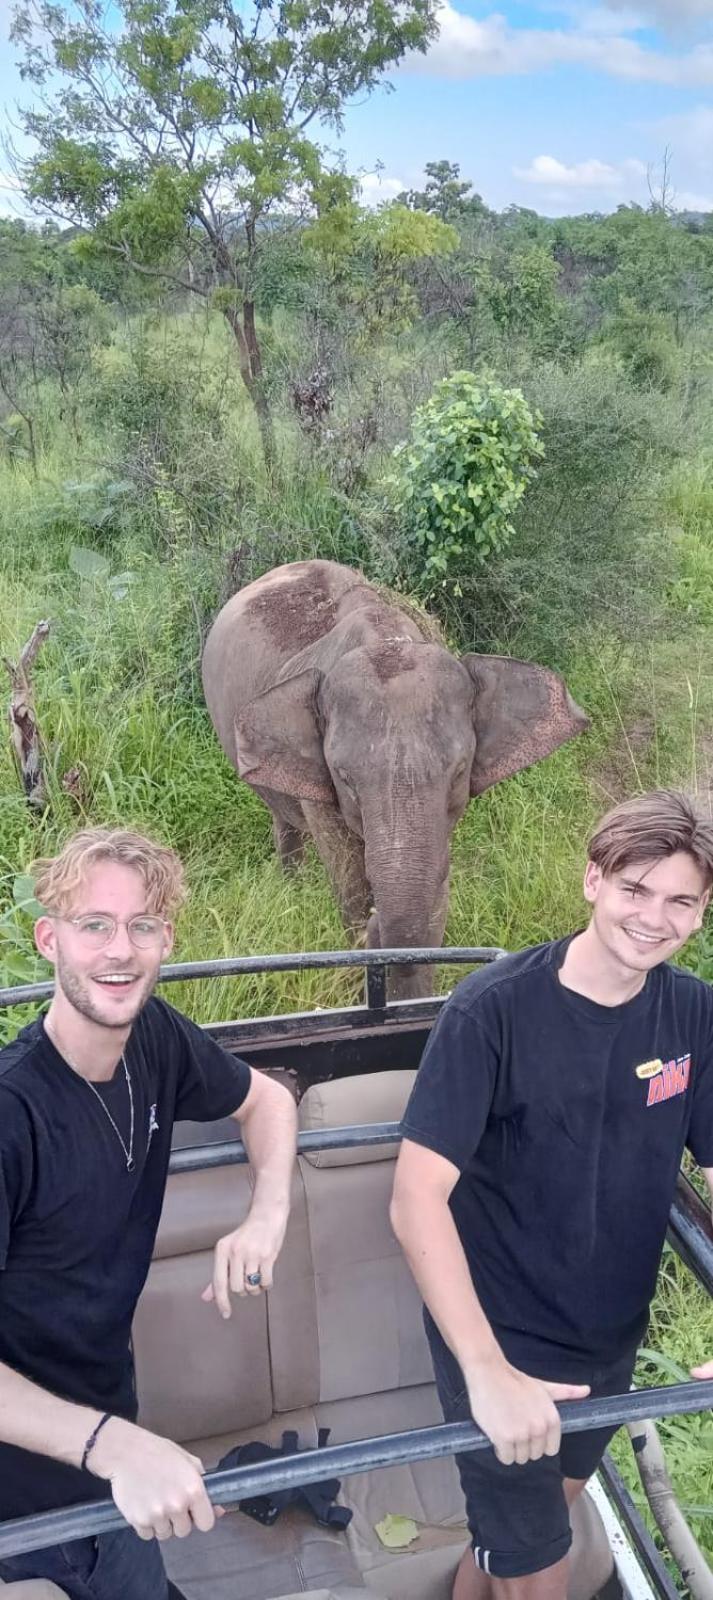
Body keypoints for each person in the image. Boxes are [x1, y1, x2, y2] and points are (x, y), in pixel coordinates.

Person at [390, 788, 713, 1600]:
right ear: (592, 882)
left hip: (608, 1335)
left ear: (702, 913)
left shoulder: (693, 1014)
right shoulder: (491, 1012)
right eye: (635, 889)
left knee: (518, 1538)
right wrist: (485, 1370)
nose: (653, 917)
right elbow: (415, 1198)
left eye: (680, 901)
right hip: (500, 1341)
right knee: (538, 1569)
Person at [0, 826, 298, 1600]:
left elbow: (266, 1099)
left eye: (140, 926)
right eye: (93, 925)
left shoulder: (155, 1040)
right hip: (28, 1483)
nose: (117, 951)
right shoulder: (11, 1116)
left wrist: (266, 1213)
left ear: (165, 940)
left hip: (103, 1432)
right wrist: (112, 1446)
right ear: (49, 939)